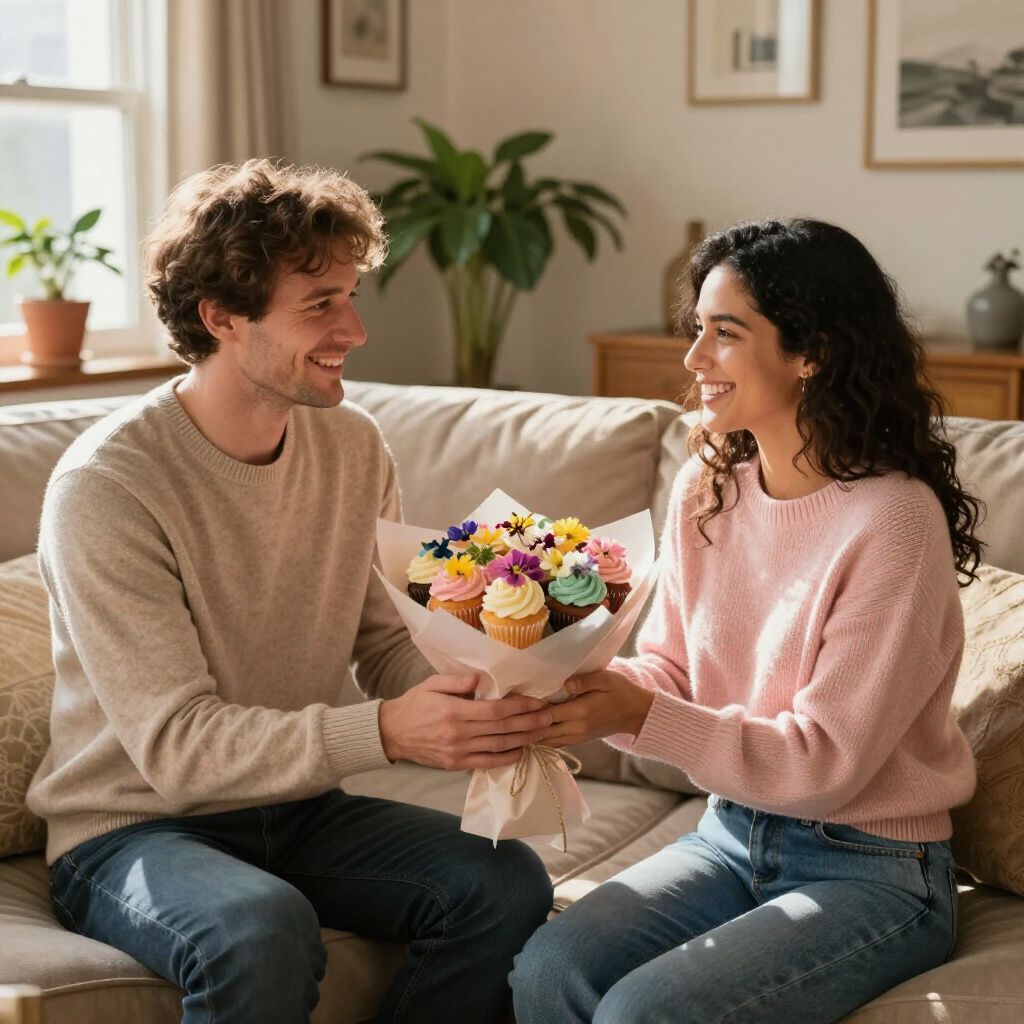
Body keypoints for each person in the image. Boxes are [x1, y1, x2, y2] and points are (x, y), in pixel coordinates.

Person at [26, 159, 553, 1024]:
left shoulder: (353, 447)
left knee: (502, 882)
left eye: (351, 295)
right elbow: (179, 749)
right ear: (221, 317)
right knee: (259, 927)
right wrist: (388, 731)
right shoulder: (109, 486)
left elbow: (383, 640)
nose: (354, 328)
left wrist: (491, 684)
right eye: (320, 304)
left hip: (300, 809)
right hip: (134, 828)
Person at [511, 218, 982, 1024]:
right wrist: (580, 685)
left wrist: (643, 714)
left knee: (643, 1013)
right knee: (549, 967)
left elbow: (826, 762)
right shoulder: (707, 488)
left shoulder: (894, 523)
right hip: (729, 834)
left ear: (813, 353)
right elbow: (670, 667)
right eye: (697, 331)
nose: (695, 361)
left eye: (725, 335)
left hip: (870, 868)